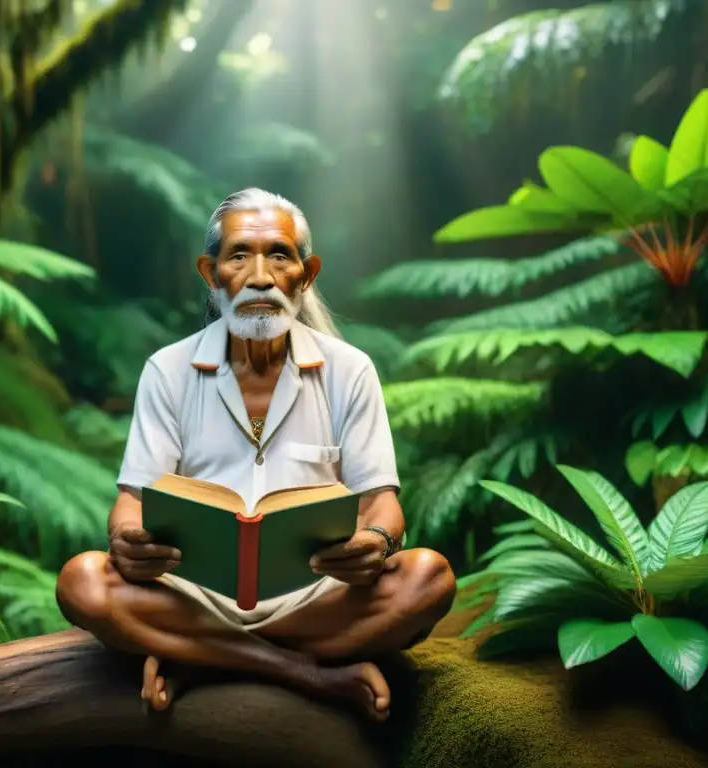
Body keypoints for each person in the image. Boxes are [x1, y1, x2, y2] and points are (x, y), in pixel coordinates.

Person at [56, 188, 456, 722]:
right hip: (194, 595)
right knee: (82, 581)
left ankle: (197, 658)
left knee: (428, 577)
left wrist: (377, 542)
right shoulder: (167, 371)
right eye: (240, 254)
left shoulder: (350, 369)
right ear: (211, 273)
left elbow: (383, 503)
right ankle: (303, 672)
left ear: (306, 274)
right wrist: (126, 540)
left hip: (315, 594)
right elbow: (132, 500)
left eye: (280, 255)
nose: (261, 276)